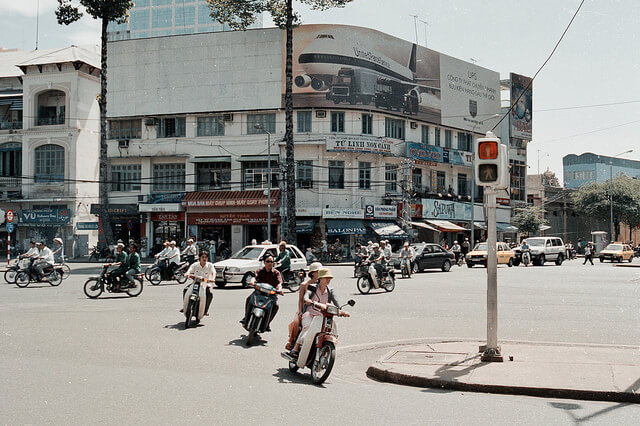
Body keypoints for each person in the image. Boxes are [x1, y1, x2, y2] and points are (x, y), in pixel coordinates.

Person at [288, 268, 349, 358]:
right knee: (308, 328)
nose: (328, 280)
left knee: (328, 332)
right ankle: (296, 348)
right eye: (326, 278)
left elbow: (337, 303)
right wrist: (308, 300)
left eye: (329, 278)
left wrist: (342, 310)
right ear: (320, 278)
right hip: (309, 314)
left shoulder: (330, 290)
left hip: (322, 316)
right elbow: (306, 296)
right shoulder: (312, 287)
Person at [285, 261, 322, 350]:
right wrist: (300, 312)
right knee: (296, 323)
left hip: (318, 310)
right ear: (313, 273)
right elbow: (301, 300)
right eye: (318, 271)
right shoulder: (304, 284)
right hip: (306, 310)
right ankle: (292, 343)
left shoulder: (322, 283)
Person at [242, 254, 283, 331]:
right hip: (258, 293)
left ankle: (267, 323)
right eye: (268, 261)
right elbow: (254, 277)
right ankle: (246, 317)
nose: (270, 263)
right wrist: (252, 281)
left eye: (271, 261)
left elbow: (279, 283)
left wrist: (280, 289)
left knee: (276, 306)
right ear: (264, 262)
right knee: (248, 299)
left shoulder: (276, 273)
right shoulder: (260, 271)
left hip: (271, 295)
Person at [182, 251, 216, 316]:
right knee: (185, 290)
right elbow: (190, 270)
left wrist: (213, 279)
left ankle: (205, 310)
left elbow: (213, 272)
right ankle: (185, 306)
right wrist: (187, 273)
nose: (204, 259)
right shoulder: (195, 265)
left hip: (205, 284)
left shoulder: (210, 265)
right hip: (195, 283)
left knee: (209, 294)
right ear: (199, 258)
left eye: (206, 257)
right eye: (202, 257)